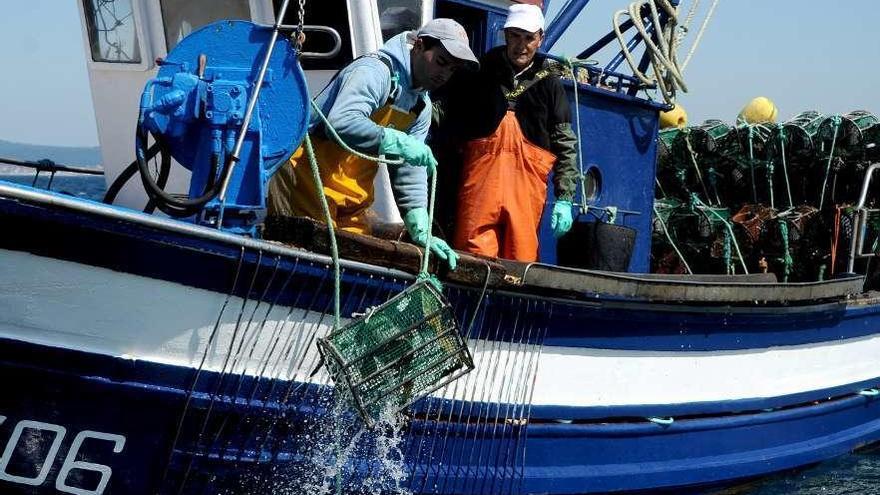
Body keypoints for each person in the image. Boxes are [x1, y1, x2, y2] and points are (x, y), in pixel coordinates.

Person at [267, 19, 479, 270]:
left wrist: (419, 222)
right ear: (419, 46)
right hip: (306, 180)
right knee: (306, 267)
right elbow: (341, 121)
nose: (443, 74)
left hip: (353, 196)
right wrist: (396, 140)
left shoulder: (421, 105)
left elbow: (410, 166)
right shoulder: (375, 71)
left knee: (353, 267)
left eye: (452, 69)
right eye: (441, 62)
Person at [439, 3, 579, 262]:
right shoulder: (478, 71)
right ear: (505, 34)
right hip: (480, 188)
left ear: (540, 39)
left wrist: (565, 197)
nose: (521, 45)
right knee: (472, 261)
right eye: (515, 36)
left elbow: (565, 142)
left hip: (526, 192)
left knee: (520, 261)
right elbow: (446, 126)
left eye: (529, 38)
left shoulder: (550, 82)